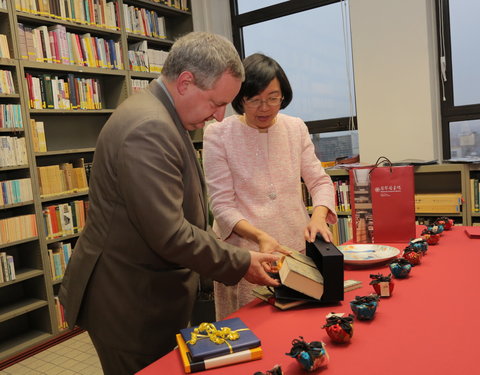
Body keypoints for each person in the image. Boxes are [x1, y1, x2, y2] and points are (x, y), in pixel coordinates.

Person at [59, 33, 282, 375]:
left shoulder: (161, 115)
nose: (220, 117)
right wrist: (242, 262)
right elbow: (169, 233)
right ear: (185, 82)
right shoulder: (148, 127)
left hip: (143, 291)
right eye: (215, 103)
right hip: (130, 301)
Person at [203, 53, 338, 320]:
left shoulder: (295, 127)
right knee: (250, 328)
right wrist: (260, 237)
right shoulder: (218, 133)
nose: (264, 108)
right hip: (247, 256)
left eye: (273, 98)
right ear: (240, 98)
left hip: (294, 250)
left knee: (296, 325)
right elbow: (221, 205)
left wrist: (319, 216)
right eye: (254, 99)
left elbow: (319, 180)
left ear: (283, 95)